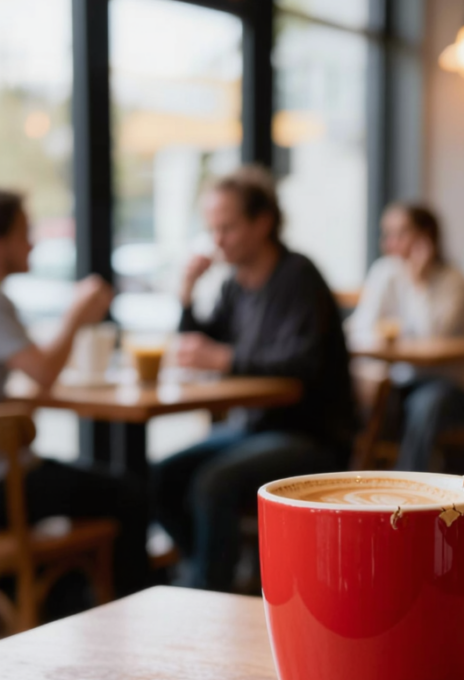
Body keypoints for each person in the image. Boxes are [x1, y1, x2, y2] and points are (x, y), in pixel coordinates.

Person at [153, 165, 355, 592]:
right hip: (252, 428)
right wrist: (187, 295)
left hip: (311, 435)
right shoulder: (235, 284)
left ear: (263, 223)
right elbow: (201, 344)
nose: (217, 239)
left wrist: (224, 357)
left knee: (213, 483)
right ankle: (202, 572)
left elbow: (302, 363)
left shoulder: (299, 277)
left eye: (227, 227)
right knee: (162, 475)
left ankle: (212, 593)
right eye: (212, 228)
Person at [0, 190, 148, 602]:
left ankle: (71, 600)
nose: (32, 244)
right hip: (5, 485)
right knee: (128, 494)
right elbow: (45, 372)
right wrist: (77, 316)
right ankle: (133, 617)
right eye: (24, 234)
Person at [347, 202, 464, 472]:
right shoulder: (385, 272)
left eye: (400, 234)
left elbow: (433, 338)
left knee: (424, 405)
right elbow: (360, 327)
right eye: (387, 234)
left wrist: (419, 283)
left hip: (451, 385)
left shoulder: (453, 282)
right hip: (400, 381)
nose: (390, 243)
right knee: (360, 401)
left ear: (426, 237)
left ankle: (405, 498)